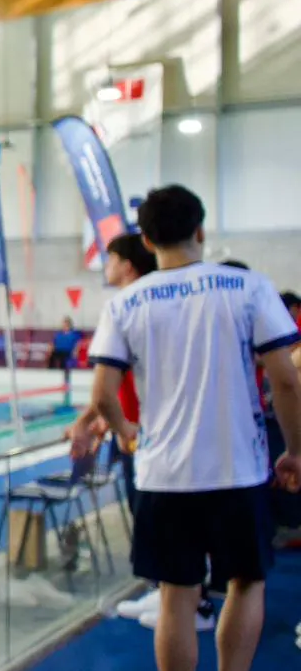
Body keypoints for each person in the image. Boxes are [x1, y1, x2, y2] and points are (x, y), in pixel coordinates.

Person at [87, 185, 301, 671]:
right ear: (200, 231)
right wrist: (297, 452)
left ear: (148, 240)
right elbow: (286, 378)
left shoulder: (127, 302)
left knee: (177, 599)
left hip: (164, 476)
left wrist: (130, 435)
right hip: (239, 470)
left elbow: (102, 395)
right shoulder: (248, 287)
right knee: (245, 582)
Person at [72, 235, 216, 632]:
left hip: (146, 434)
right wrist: (103, 420)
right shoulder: (143, 305)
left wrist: (112, 424)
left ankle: (194, 604)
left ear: (128, 265)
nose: (106, 265)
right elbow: (119, 385)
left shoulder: (134, 307)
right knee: (155, 518)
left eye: (111, 259)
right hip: (140, 429)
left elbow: (110, 385)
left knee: (169, 518)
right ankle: (169, 592)